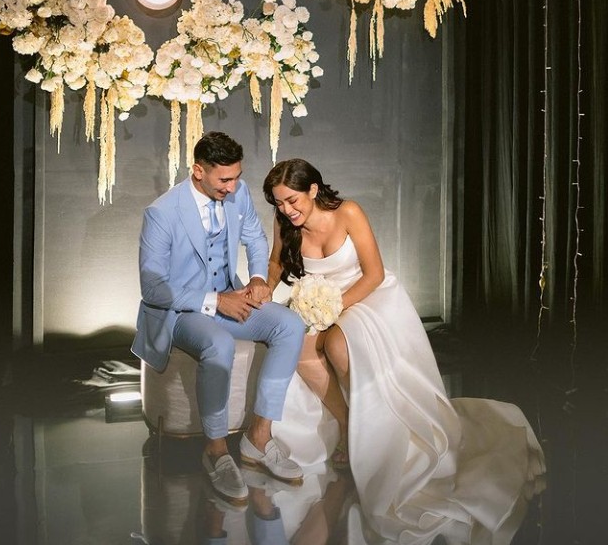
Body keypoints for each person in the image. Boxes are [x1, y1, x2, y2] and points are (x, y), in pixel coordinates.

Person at [262, 158, 545, 526]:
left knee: (338, 347)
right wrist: (267, 292)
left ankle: (375, 431)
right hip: (321, 303)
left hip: (366, 295)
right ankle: (347, 424)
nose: (287, 210)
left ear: (313, 189)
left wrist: (333, 308)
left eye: (292, 200)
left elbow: (374, 274)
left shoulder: (348, 212)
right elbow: (276, 263)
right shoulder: (284, 221)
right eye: (279, 203)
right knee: (297, 350)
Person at [133, 132, 306, 507]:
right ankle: (215, 451)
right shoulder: (162, 213)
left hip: (229, 295)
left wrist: (257, 278)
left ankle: (259, 438)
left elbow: (255, 239)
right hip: (182, 311)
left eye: (236, 177)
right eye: (224, 179)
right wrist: (215, 301)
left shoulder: (237, 193)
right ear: (198, 171)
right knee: (218, 343)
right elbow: (154, 288)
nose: (232, 186)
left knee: (290, 326)